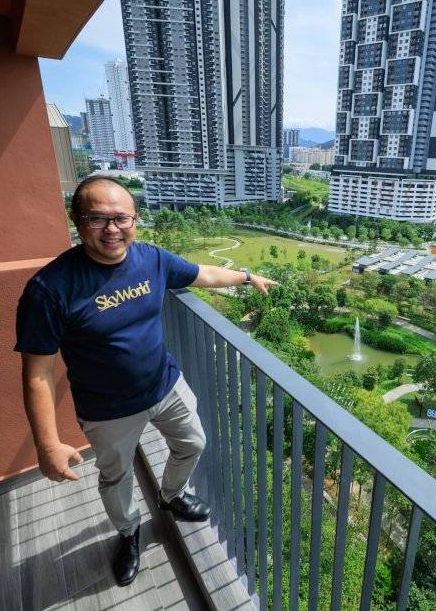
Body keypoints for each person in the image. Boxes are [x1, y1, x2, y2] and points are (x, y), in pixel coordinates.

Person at [15, 177, 276, 586]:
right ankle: (128, 533)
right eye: (98, 218)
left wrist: (246, 277)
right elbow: (38, 374)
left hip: (165, 386)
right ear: (78, 223)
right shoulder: (50, 290)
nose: (112, 228)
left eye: (121, 217)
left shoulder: (151, 260)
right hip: (107, 410)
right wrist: (47, 444)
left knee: (194, 443)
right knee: (116, 479)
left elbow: (200, 274)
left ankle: (171, 496)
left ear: (135, 219)